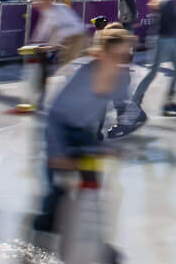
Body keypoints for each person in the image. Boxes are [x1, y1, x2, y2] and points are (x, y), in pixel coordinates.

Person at [34, 26, 139, 239]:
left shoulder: (121, 79)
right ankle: (42, 229)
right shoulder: (80, 74)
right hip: (58, 129)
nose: (121, 61)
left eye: (126, 56)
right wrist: (57, 154)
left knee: (92, 184)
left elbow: (113, 114)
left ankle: (94, 241)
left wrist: (107, 146)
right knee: (57, 190)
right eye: (116, 56)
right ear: (101, 54)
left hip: (84, 131)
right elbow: (53, 114)